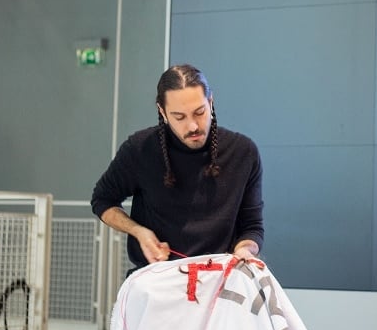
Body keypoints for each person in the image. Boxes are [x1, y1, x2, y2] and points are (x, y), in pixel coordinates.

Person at [92, 64, 263, 270]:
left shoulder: (243, 152)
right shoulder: (140, 149)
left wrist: (245, 251)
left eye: (199, 112)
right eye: (179, 117)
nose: (192, 126)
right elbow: (102, 200)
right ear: (162, 112)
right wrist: (139, 231)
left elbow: (251, 227)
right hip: (158, 280)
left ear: (210, 102)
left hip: (219, 281)